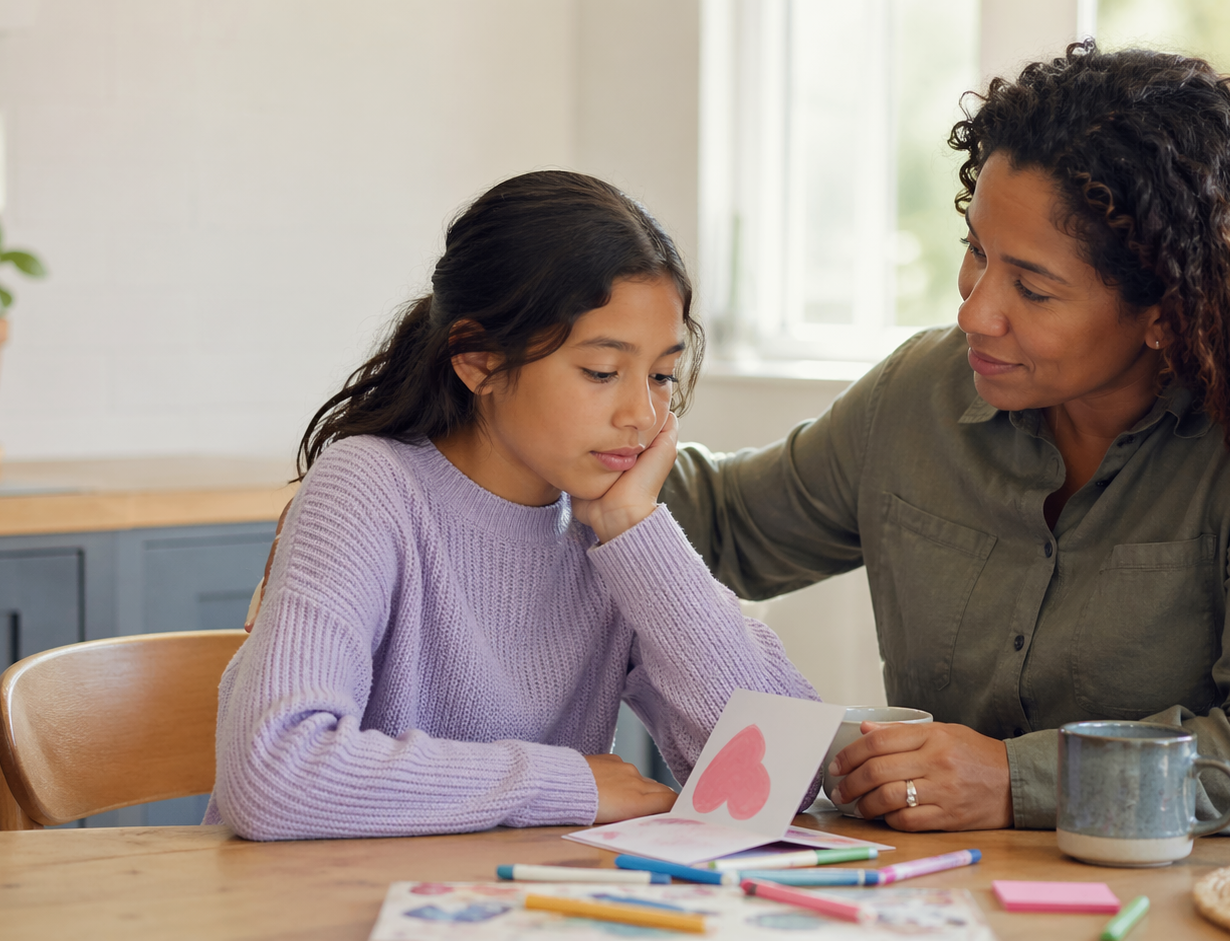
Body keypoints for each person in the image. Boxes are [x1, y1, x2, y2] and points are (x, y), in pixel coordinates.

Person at [661, 43, 1230, 835]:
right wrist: (562, 428)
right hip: (987, 891)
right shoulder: (919, 395)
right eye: (976, 253)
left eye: (1032, 287)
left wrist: (1012, 777)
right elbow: (722, 523)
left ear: (1168, 313)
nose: (974, 312)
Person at [207, 170, 818, 841]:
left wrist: (637, 533)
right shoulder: (368, 488)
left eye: (662, 375)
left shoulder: (614, 523)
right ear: (478, 359)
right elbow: (274, 776)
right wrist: (568, 781)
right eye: (601, 372)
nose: (642, 414)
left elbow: (787, 774)